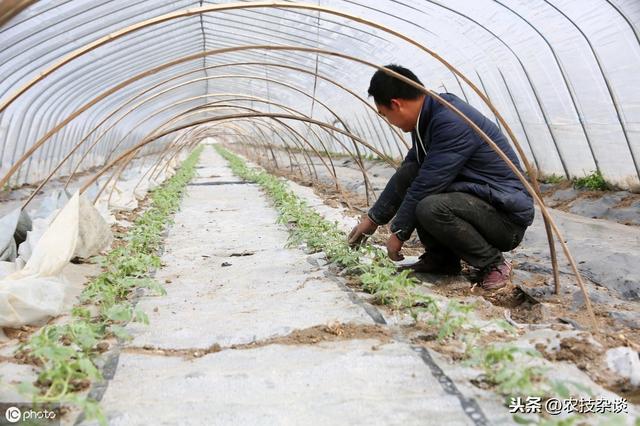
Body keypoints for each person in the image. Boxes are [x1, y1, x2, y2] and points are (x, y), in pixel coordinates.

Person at [348, 64, 534, 290]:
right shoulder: (428, 117)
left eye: (385, 115)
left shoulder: (451, 121)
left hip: (505, 219)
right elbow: (409, 171)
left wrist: (398, 233)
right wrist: (373, 219)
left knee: (430, 206)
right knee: (416, 183)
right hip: (477, 204)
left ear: (396, 105)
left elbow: (428, 183)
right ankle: (442, 261)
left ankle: (493, 264)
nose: (390, 122)